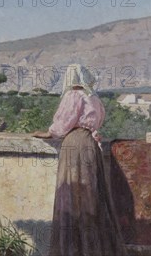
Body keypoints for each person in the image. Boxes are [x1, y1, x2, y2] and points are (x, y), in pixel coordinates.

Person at [32, 64, 127, 256]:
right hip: (90, 145)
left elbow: (63, 123)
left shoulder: (73, 95)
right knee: (91, 195)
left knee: (71, 194)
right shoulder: (93, 97)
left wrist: (48, 133)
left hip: (75, 145)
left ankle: (73, 250)